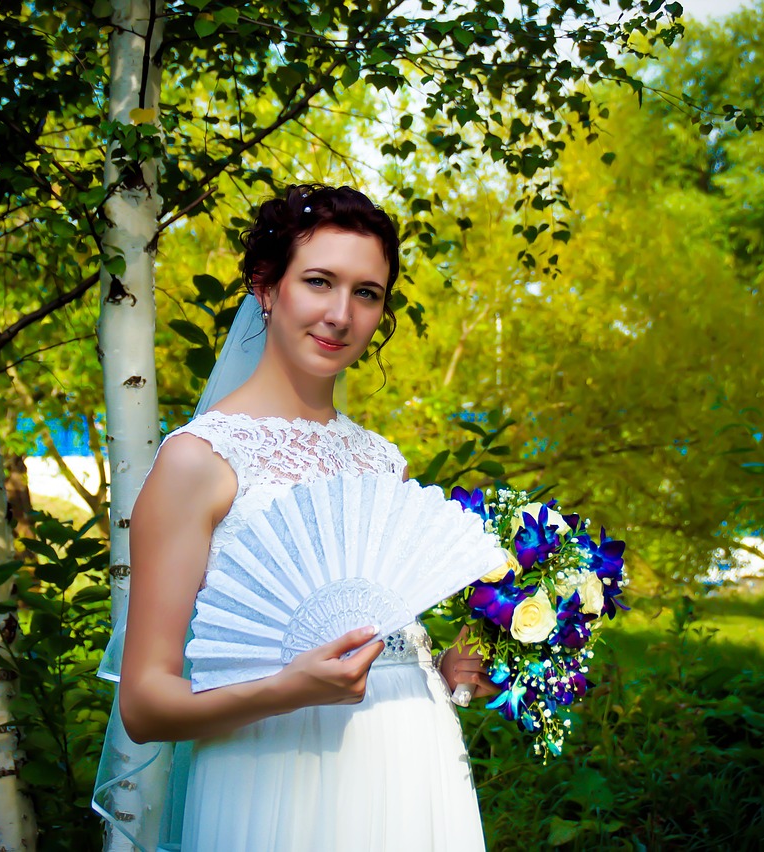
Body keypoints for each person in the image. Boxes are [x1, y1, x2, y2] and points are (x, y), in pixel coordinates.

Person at [113, 184, 496, 851]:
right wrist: (287, 690)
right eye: (319, 281)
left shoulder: (384, 463)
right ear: (266, 286)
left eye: (367, 293)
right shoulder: (199, 462)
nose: (341, 315)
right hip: (273, 779)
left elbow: (383, 649)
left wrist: (448, 673)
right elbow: (144, 707)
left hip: (414, 764)